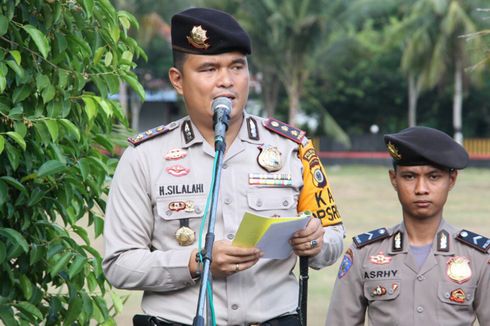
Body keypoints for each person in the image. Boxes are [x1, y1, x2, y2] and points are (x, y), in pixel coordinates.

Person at [103, 7, 344, 326]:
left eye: (237, 67)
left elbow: (333, 237)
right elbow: (119, 264)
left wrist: (316, 242)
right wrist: (195, 262)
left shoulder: (293, 148)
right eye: (208, 69)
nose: (226, 81)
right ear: (178, 80)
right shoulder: (144, 157)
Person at [325, 126, 490, 326]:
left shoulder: (479, 258)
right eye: (409, 176)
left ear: (452, 179)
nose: (421, 189)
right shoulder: (364, 254)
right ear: (394, 179)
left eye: (433, 177)